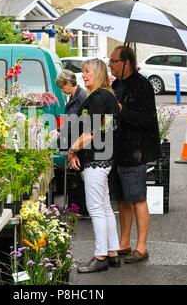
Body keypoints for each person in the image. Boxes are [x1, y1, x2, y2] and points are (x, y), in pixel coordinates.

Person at [67, 58, 121, 273]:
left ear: (98, 73)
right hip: (105, 158)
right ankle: (113, 252)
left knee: (96, 208)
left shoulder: (97, 98)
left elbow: (91, 133)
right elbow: (106, 128)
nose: (83, 75)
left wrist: (71, 151)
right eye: (83, 71)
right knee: (105, 206)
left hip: (96, 160)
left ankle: (100, 256)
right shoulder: (107, 96)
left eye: (87, 71)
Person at [108, 45, 161, 264]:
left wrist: (122, 111)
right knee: (122, 200)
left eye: (113, 61)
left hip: (136, 150)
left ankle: (141, 247)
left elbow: (149, 121)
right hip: (118, 149)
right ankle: (124, 243)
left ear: (126, 63)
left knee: (137, 198)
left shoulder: (143, 86)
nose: (110, 64)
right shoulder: (117, 84)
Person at [55, 70, 89, 218]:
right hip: (74, 141)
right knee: (75, 176)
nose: (62, 90)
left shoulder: (81, 97)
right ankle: (77, 207)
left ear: (68, 83)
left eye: (62, 86)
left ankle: (81, 209)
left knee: (78, 177)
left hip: (79, 142)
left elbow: (81, 122)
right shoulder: (74, 96)